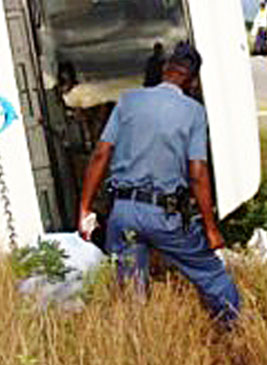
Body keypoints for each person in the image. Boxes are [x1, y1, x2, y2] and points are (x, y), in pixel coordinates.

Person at [77, 41, 240, 324]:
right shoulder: (194, 112)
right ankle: (236, 327)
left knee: (130, 294)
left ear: (166, 69)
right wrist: (211, 228)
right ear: (192, 81)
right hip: (163, 216)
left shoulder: (128, 100)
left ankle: (137, 346)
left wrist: (85, 208)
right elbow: (198, 173)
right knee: (210, 273)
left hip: (123, 213)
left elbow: (101, 154)